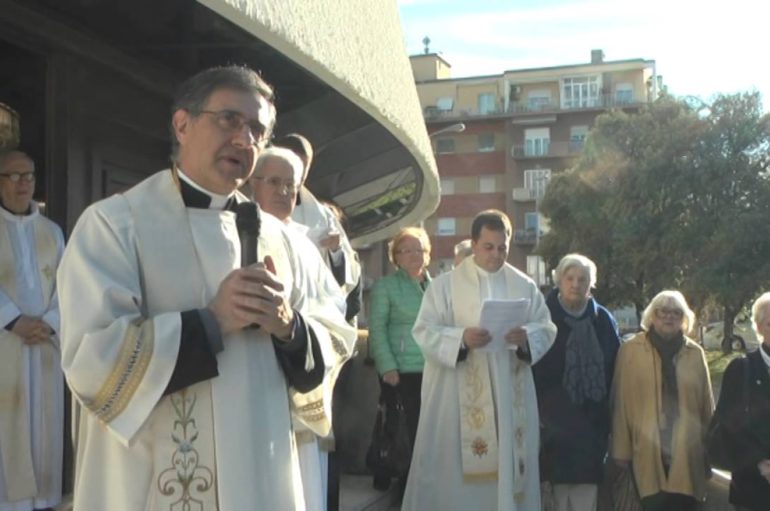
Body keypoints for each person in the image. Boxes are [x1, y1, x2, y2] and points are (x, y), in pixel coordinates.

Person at [57, 65, 355, 511]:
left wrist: (289, 328)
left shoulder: (287, 241)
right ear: (182, 124)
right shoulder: (115, 225)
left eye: (257, 129)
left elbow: (334, 336)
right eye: (229, 120)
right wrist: (212, 322)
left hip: (261, 472)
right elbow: (91, 358)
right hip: (156, 479)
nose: (244, 139)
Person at [402, 209, 557, 511]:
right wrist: (460, 339)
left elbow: (546, 326)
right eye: (489, 247)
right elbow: (423, 330)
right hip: (456, 400)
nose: (496, 255)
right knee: (456, 484)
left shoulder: (523, 285)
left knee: (505, 474)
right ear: (473, 244)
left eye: (502, 248)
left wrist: (526, 337)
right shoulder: (444, 286)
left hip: (509, 401)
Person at [249, 146, 356, 511]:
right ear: (253, 185)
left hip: (300, 369)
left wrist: (299, 329)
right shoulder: (237, 229)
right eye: (274, 182)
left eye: (290, 185)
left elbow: (336, 306)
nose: (283, 192)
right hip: (253, 376)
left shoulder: (305, 243)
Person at [0, 150, 64, 511]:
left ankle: (43, 503)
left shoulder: (52, 232)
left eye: (29, 176)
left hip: (44, 349)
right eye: (14, 175)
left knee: (42, 431)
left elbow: (70, 286)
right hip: (5, 346)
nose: (24, 183)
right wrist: (13, 320)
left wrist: (51, 323)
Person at [611, 290, 713, 511]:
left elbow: (707, 405)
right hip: (645, 450)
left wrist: (709, 449)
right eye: (663, 311)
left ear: (684, 319)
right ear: (652, 316)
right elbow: (619, 403)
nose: (669, 317)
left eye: (676, 313)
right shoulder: (630, 351)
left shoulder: (695, 353)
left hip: (686, 451)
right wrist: (621, 450)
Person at [533, 254, 620, 511]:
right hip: (552, 425)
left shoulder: (603, 320)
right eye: (569, 278)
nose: (575, 284)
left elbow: (614, 367)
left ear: (591, 284)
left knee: (586, 499)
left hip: (591, 424)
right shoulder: (542, 317)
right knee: (556, 499)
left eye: (582, 279)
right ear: (558, 280)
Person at [368, 226, 431, 495]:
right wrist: (387, 366)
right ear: (396, 256)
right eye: (407, 250)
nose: (415, 255)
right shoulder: (385, 287)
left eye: (420, 249)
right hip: (400, 370)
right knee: (401, 429)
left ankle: (421, 482)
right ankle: (400, 481)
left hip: (431, 370)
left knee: (425, 429)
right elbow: (377, 328)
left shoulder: (436, 285)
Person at [274, 133, 362, 324]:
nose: (301, 173)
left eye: (305, 166)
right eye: (295, 164)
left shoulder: (322, 216)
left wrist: (335, 251)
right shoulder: (248, 203)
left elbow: (349, 274)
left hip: (307, 314)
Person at [709, 292, 770, 511]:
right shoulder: (741, 369)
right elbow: (728, 425)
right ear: (759, 327)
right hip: (751, 486)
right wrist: (760, 464)